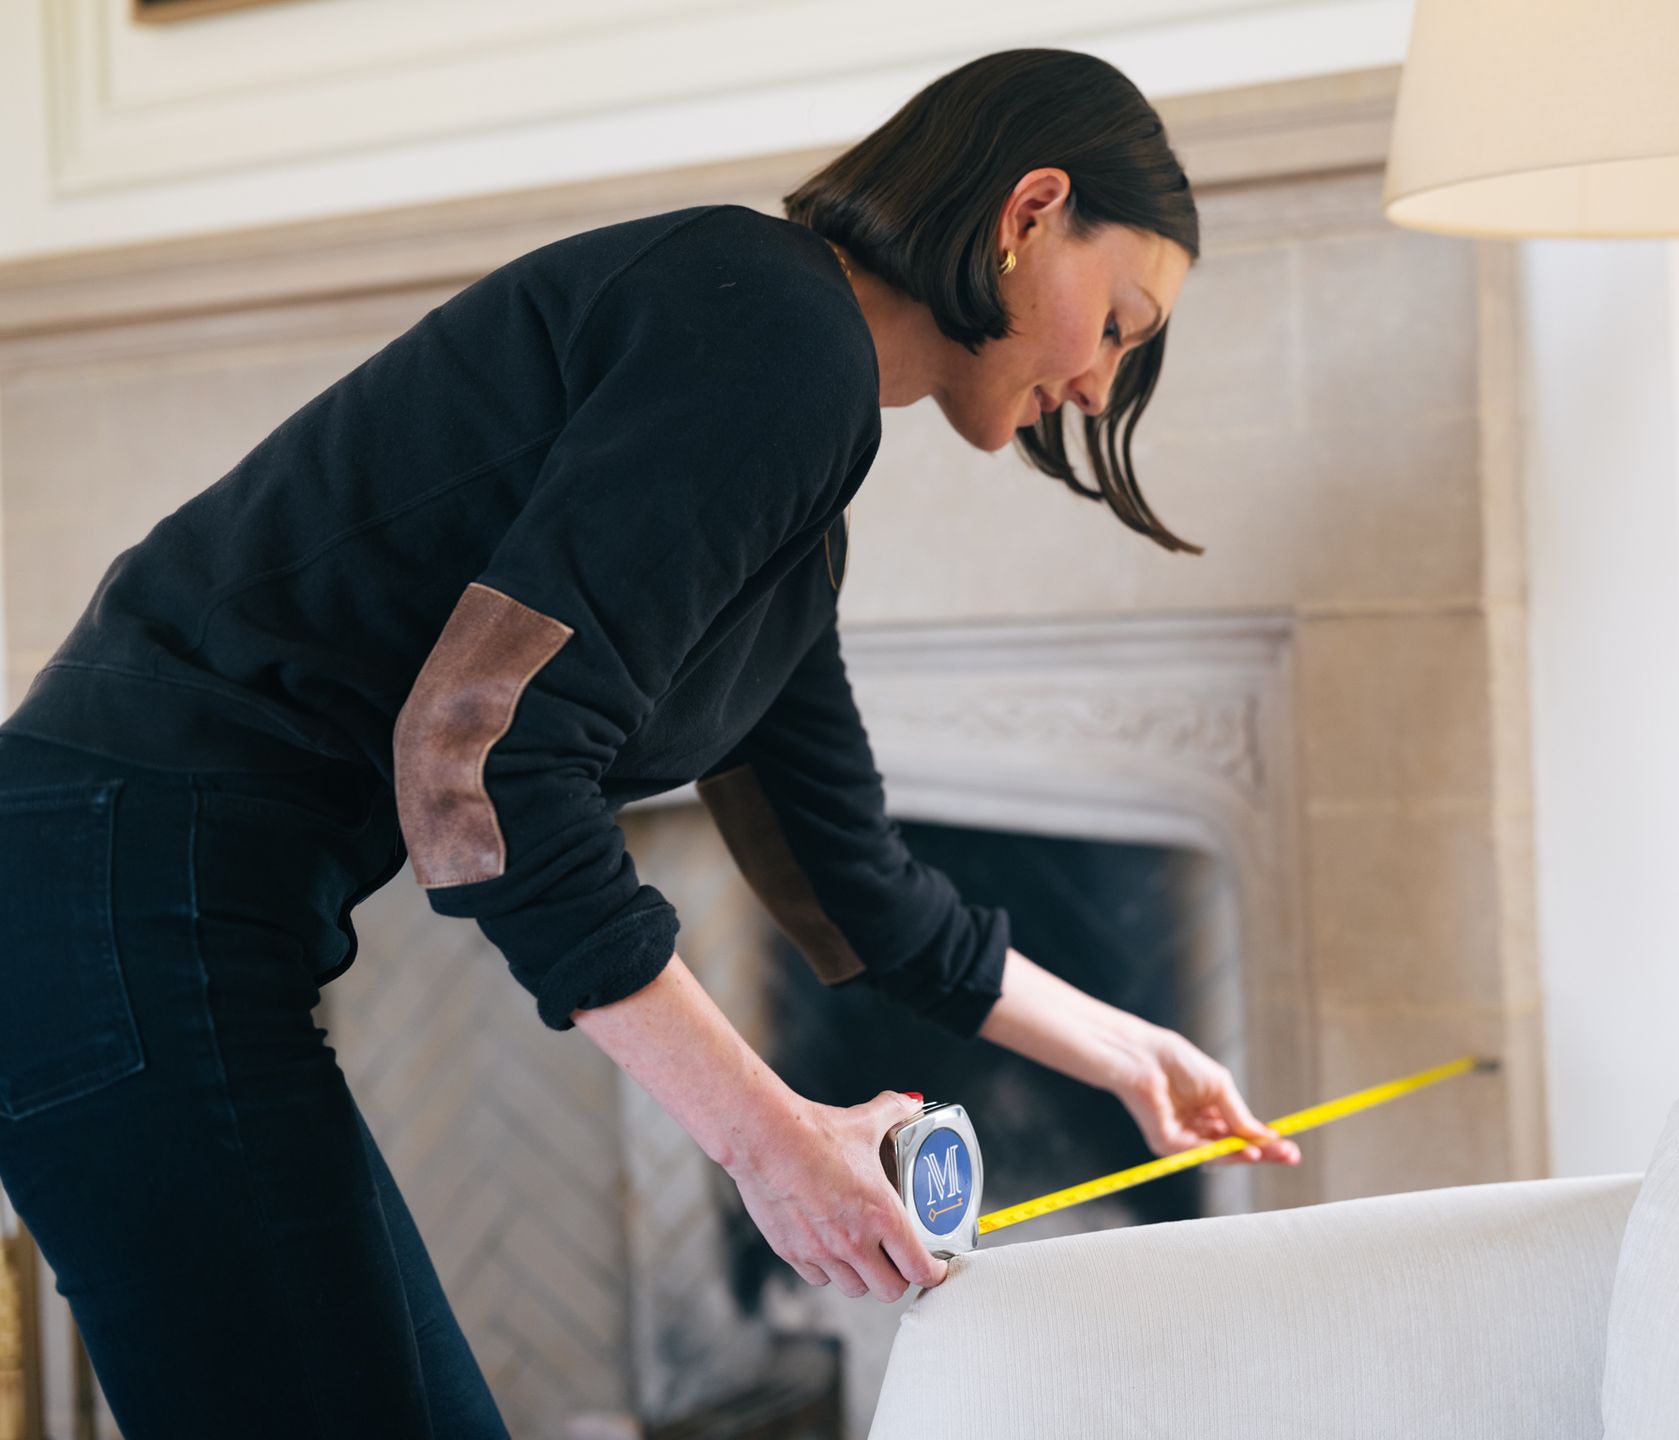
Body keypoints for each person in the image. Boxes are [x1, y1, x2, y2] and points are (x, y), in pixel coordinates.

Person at [0, 47, 1298, 1438]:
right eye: (1118, 320)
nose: (1103, 388)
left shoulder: (794, 473)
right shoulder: (775, 337)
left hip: (147, 914)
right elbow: (480, 759)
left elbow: (850, 878)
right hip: (114, 905)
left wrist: (1126, 1051)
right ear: (1031, 213)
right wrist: (774, 1144)